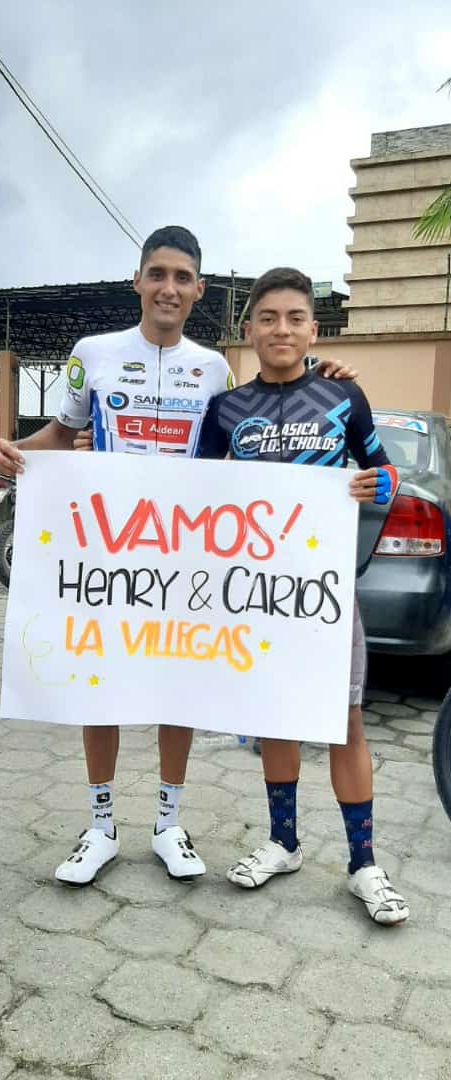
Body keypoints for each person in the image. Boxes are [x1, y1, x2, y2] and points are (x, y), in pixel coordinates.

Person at [0, 232, 357, 889]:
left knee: (176, 682)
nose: (168, 287)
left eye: (182, 277)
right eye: (157, 274)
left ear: (198, 290)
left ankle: (168, 824)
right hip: (105, 547)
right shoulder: (92, 353)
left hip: (184, 552)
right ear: (137, 281)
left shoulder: (213, 368)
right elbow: (61, 435)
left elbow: (245, 443)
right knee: (96, 679)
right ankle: (100, 827)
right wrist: (9, 451)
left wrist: (324, 377)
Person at [196, 266, 409, 925]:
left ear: (313, 330)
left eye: (294, 318)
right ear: (249, 330)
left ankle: (363, 865)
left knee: (344, 721)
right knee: (275, 716)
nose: (281, 329)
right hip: (257, 593)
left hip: (325, 592)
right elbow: (191, 493)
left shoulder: (344, 396)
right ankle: (283, 843)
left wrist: (377, 486)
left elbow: (384, 471)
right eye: (268, 318)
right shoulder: (226, 409)